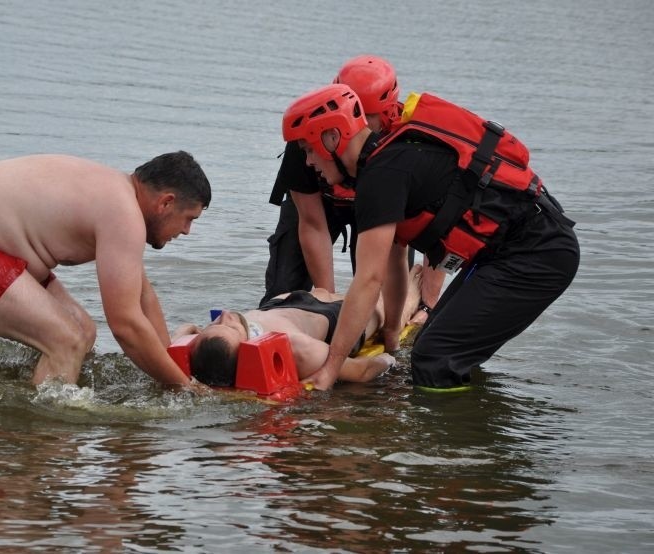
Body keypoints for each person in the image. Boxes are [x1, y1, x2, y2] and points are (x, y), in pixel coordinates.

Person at [281, 84, 580, 390]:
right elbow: (394, 265)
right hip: (510, 251)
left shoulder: (382, 176)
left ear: (331, 137)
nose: (308, 163)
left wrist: (332, 368)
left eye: (308, 149)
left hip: (537, 253)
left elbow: (368, 280)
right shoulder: (386, 162)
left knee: (435, 360)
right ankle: (469, 412)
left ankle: (452, 436)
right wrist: (391, 335)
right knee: (432, 345)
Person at [0, 152, 211, 386]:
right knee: (66, 340)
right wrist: (182, 389)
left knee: (84, 331)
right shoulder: (123, 213)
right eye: (190, 218)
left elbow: (143, 297)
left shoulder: (117, 195)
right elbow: (126, 325)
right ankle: (44, 441)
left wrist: (174, 365)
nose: (186, 231)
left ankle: (33, 387)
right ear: (166, 202)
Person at [261, 54, 446, 322]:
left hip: (379, 208)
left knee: (385, 301)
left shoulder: (409, 143)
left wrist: (428, 303)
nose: (355, 123)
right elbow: (312, 224)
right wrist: (327, 302)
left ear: (387, 112)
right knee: (282, 292)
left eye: (365, 116)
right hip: (320, 205)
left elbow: (435, 226)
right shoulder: (309, 133)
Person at [172, 265, 427, 387]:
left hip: (280, 306)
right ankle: (414, 298)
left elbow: (185, 331)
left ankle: (327, 294)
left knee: (324, 292)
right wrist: (391, 360)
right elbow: (362, 371)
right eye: (231, 326)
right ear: (247, 351)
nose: (226, 314)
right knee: (382, 308)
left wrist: (188, 334)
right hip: (330, 321)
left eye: (215, 323)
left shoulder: (208, 348)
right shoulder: (298, 349)